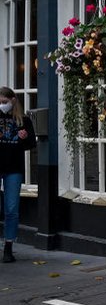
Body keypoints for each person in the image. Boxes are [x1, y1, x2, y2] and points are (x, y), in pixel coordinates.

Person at [0, 87, 37, 263]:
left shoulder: (24, 121)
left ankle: (8, 246)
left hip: (14, 168)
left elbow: (31, 144)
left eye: (4, 102)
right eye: (0, 102)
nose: (2, 105)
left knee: (11, 209)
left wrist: (24, 138)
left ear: (13, 100)